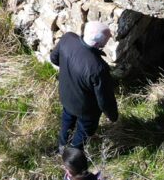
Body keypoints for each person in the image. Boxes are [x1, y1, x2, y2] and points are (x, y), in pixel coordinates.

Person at [50, 21, 118, 151]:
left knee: (67, 122)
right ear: (98, 44)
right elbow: (105, 99)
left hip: (66, 97)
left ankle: (62, 147)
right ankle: (73, 156)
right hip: (87, 110)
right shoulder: (98, 68)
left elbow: (54, 58)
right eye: (107, 39)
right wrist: (113, 116)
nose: (108, 41)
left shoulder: (67, 39)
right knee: (83, 132)